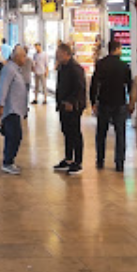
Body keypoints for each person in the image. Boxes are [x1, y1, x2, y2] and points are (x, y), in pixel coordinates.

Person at [90, 40, 132, 172]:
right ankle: (119, 162)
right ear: (118, 49)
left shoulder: (101, 64)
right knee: (120, 133)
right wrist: (131, 102)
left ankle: (100, 160)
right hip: (119, 102)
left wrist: (93, 101)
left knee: (101, 132)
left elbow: (94, 84)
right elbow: (130, 86)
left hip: (104, 102)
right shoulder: (124, 66)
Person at [0, 44, 29, 174]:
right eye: (23, 56)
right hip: (11, 109)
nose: (25, 59)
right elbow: (3, 87)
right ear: (17, 57)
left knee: (13, 135)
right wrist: (0, 104)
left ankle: (9, 160)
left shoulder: (15, 69)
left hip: (16, 109)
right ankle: (8, 162)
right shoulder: (9, 69)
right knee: (15, 135)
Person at [54, 43, 87, 175]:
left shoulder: (75, 68)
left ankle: (78, 162)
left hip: (73, 106)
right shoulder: (62, 67)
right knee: (66, 131)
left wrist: (72, 102)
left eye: (59, 53)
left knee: (75, 132)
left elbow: (80, 88)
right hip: (63, 105)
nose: (57, 55)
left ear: (66, 54)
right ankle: (68, 159)